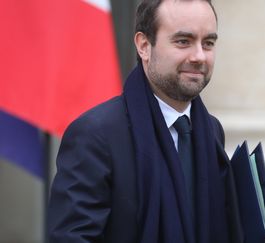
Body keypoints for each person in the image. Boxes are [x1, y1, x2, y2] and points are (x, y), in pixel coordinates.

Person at [48, 0, 242, 242]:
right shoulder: (94, 134)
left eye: (208, 43)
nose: (199, 56)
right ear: (143, 46)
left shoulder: (211, 131)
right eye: (183, 41)